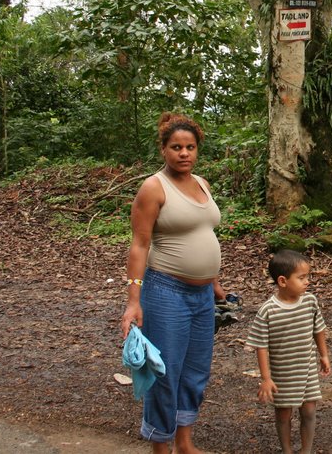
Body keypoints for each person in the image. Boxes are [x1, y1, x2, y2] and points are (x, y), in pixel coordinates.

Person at [120, 112, 227, 454]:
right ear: (164, 150)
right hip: (166, 292)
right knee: (165, 373)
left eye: (190, 147)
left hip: (202, 295)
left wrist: (213, 282)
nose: (184, 153)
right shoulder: (153, 187)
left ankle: (185, 443)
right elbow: (140, 244)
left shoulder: (202, 184)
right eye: (176, 147)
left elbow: (203, 233)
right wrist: (133, 301)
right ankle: (161, 446)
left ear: (197, 150)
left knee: (196, 372)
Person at [246, 250, 331, 454]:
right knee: (284, 413)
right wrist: (266, 378)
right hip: (283, 373)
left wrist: (324, 355)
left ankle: (306, 450)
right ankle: (287, 450)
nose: (307, 282)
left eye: (308, 277)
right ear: (283, 281)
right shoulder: (268, 310)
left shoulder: (310, 302)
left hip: (307, 368)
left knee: (309, 410)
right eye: (301, 278)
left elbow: (318, 328)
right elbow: (261, 345)